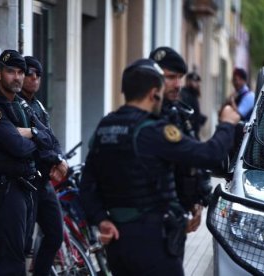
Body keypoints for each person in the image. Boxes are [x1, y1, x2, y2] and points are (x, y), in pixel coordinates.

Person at [79, 58, 240, 275]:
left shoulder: (105, 127)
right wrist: (227, 124)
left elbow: (87, 183)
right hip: (152, 243)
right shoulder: (153, 130)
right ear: (154, 93)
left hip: (118, 241)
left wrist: (101, 219)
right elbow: (208, 155)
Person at [0, 49, 61, 275]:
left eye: (20, 72)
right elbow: (18, 148)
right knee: (10, 259)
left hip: (25, 187)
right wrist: (35, 138)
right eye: (10, 71)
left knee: (18, 254)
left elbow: (50, 140)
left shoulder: (22, 105)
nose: (18, 77)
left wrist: (29, 132)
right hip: (6, 187)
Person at [149, 47, 209, 233]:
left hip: (178, 214)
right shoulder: (144, 117)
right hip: (153, 218)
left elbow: (192, 157)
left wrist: (197, 199)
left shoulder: (179, 114)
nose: (177, 84)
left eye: (180, 78)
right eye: (170, 77)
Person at [19, 56, 68, 275]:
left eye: (38, 74)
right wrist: (53, 158)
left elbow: (50, 138)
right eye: (29, 73)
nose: (34, 78)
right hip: (25, 182)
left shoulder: (38, 105)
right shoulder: (14, 105)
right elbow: (31, 143)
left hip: (44, 183)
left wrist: (60, 159)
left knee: (55, 235)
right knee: (22, 244)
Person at [180, 72, 207, 140]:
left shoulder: (193, 95)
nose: (197, 84)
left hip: (194, 132)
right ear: (188, 81)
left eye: (198, 82)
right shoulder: (185, 94)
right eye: (194, 81)